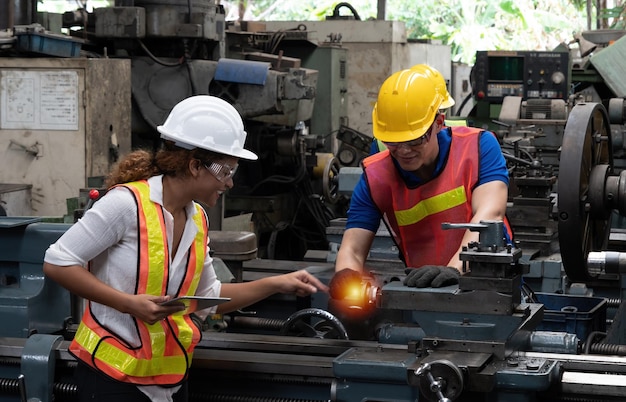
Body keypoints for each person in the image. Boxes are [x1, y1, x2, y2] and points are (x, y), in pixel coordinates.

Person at [43, 95, 328, 402]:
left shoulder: (197, 218)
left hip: (172, 381)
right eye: (226, 171)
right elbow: (57, 262)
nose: (229, 183)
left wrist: (278, 283)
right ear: (194, 165)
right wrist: (128, 303)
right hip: (111, 381)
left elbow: (209, 299)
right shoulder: (125, 205)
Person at [330, 65, 512, 295]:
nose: (404, 150)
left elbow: (490, 215)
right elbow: (353, 248)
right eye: (393, 141)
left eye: (415, 140)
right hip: (423, 289)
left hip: (490, 283)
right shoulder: (377, 175)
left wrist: (455, 269)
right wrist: (346, 276)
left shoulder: (478, 147)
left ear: (438, 123)